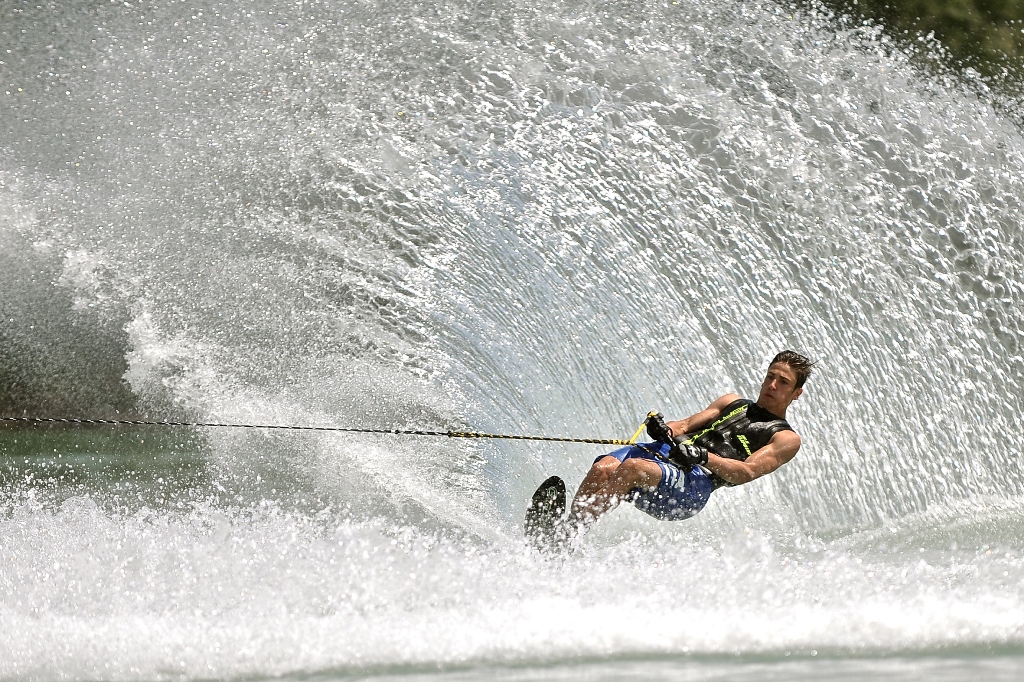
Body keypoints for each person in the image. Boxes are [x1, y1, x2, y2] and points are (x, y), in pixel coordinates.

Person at [562, 350, 814, 540]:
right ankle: (565, 533)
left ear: (796, 393)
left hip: (693, 487)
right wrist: (662, 429)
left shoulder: (784, 438)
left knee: (632, 467)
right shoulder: (731, 401)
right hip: (665, 458)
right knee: (602, 467)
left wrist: (704, 457)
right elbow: (683, 425)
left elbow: (745, 472)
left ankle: (568, 534)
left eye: (783, 382)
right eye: (770, 376)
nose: (772, 385)